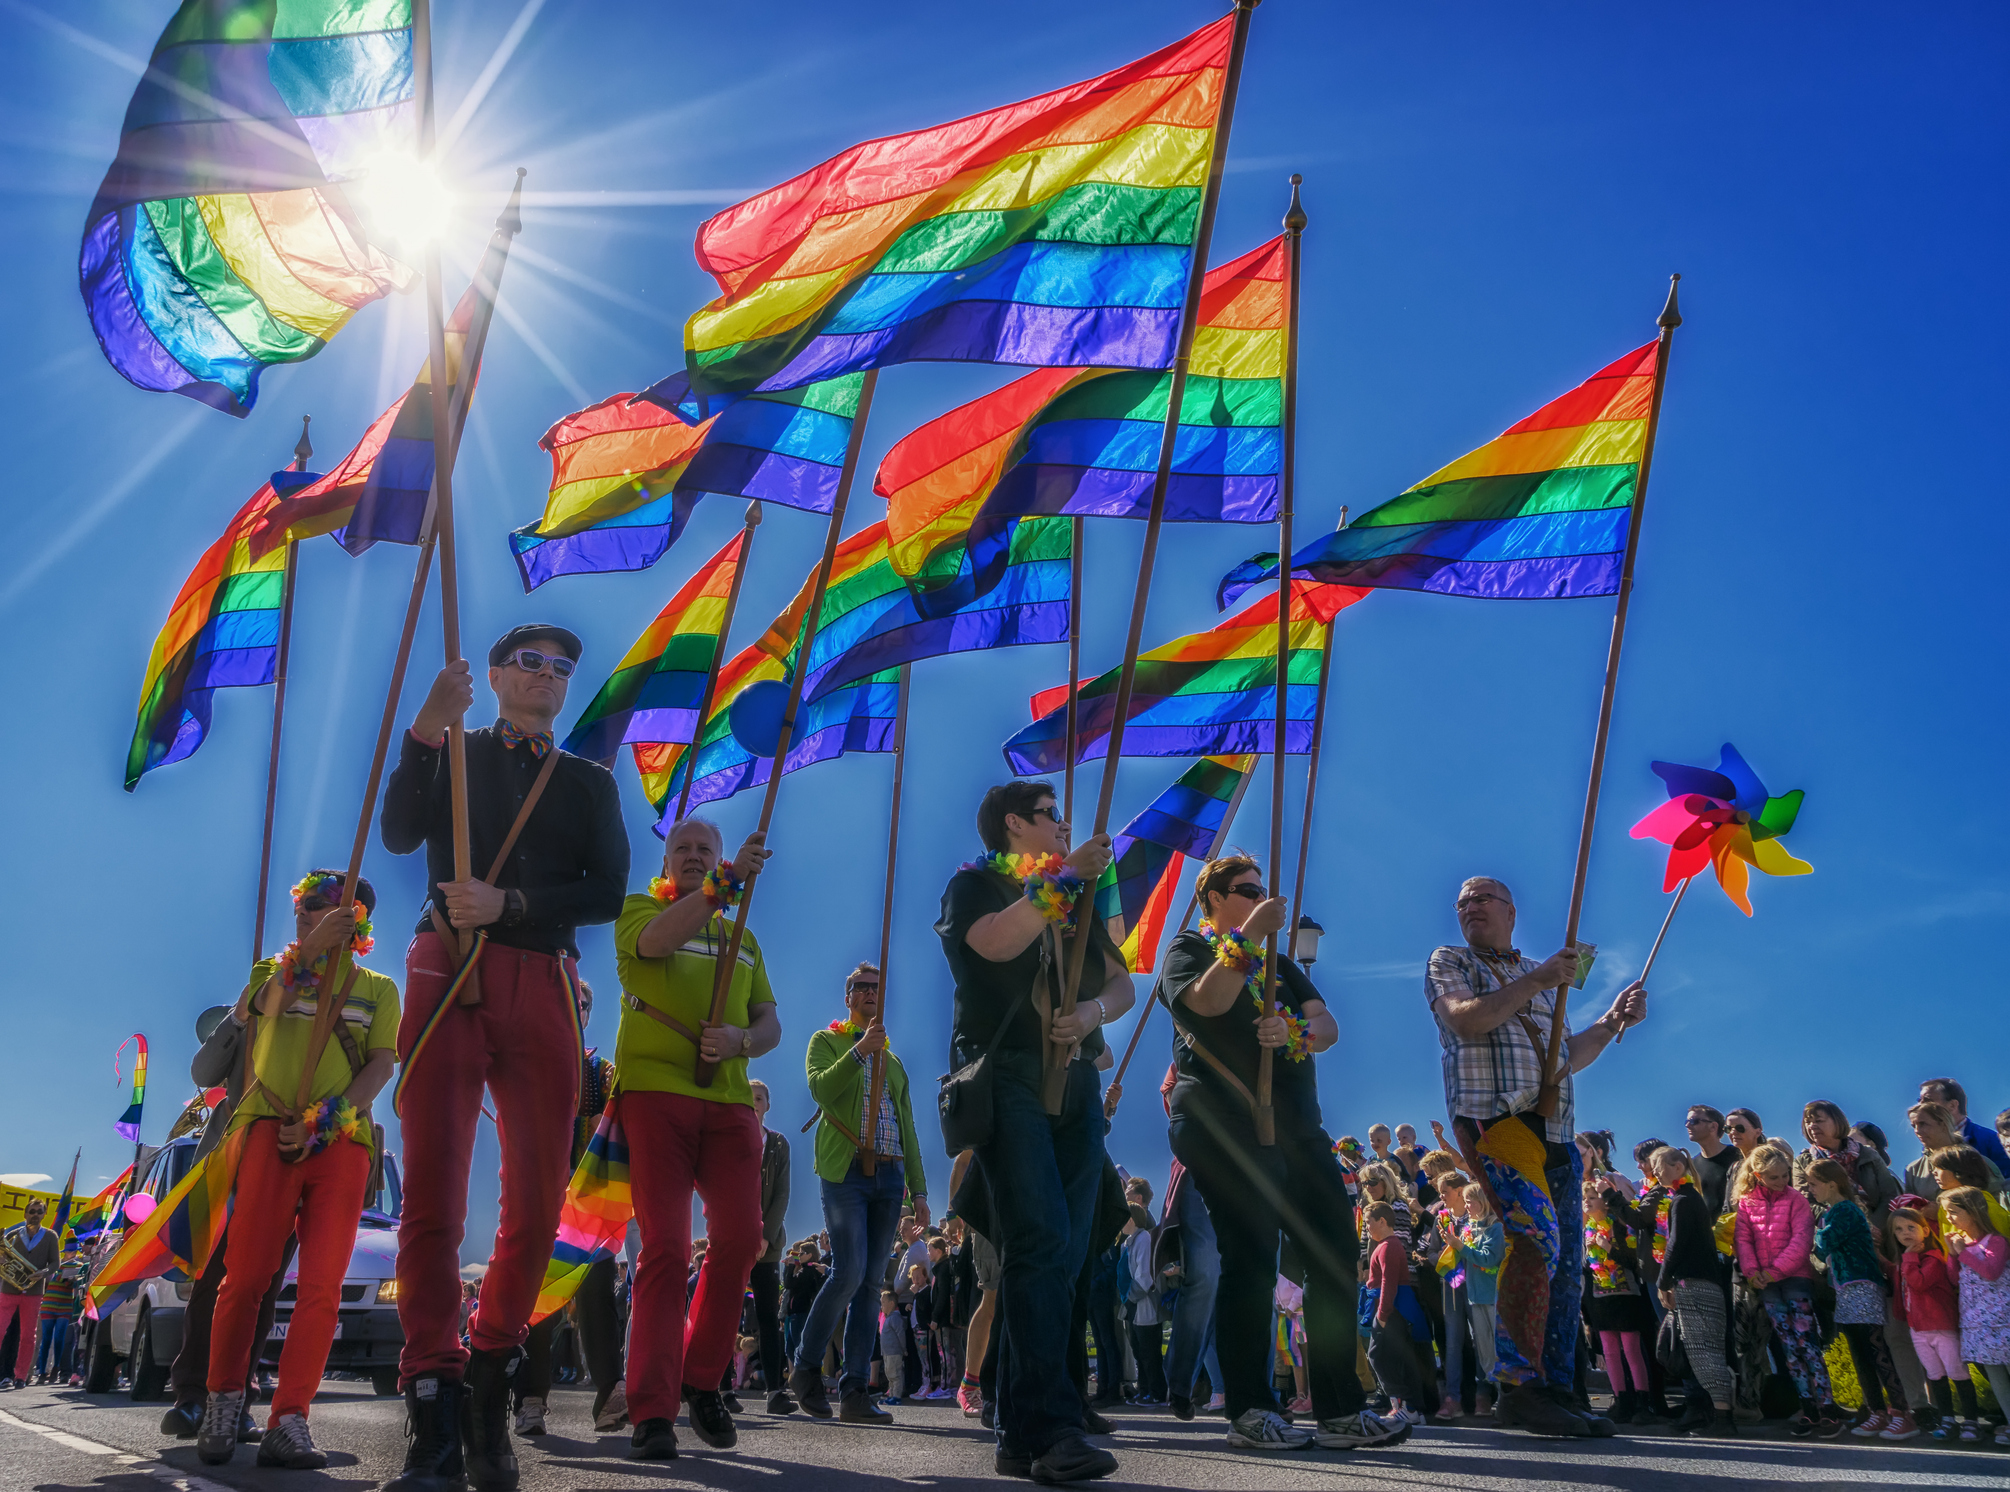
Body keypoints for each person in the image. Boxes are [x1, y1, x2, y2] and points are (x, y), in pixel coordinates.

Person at [380, 625, 628, 1492]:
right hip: (447, 963)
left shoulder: (590, 782)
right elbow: (402, 835)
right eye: (531, 663)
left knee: (536, 1201)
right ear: (492, 677)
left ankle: (491, 1379)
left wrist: (510, 899)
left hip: (546, 976)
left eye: (563, 668)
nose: (548, 677)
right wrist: (423, 730)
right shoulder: (454, 747)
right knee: (435, 1192)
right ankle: (432, 1401)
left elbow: (606, 889)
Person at [1158, 853, 1405, 1451]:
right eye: (1245, 890)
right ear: (1213, 898)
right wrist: (1246, 939)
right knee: (1251, 1256)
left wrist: (1292, 1031)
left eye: (1262, 889)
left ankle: (1341, 1410)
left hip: (1297, 1126)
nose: (1260, 897)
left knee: (1333, 1249)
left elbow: (1326, 1026)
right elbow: (1206, 1002)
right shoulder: (1190, 949)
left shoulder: (1282, 967)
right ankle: (1249, 1408)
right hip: (1223, 1125)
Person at [936, 780, 1131, 1483]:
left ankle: (1020, 1433)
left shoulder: (1076, 897)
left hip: (1074, 1076)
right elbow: (990, 945)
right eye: (1053, 816)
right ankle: (1052, 1428)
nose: (1063, 825)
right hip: (1007, 1068)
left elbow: (1120, 983)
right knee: (1039, 1236)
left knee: (1066, 1251)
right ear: (1016, 824)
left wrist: (1091, 1016)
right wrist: (1062, 878)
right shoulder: (976, 884)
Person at [1423, 875, 1646, 1437]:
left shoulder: (1548, 981)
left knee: (1568, 1260)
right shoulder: (1450, 959)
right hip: (1495, 1120)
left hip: (1556, 1128)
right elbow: (1466, 1018)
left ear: (1511, 912)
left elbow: (1566, 1055)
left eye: (1482, 898)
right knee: (1538, 1238)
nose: (1470, 906)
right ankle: (1518, 1388)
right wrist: (1539, 977)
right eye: (1463, 900)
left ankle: (1555, 1388)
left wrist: (1613, 1021)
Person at [196, 871, 398, 1470]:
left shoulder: (380, 989)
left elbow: (381, 1066)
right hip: (265, 1129)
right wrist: (308, 952)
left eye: (322, 908)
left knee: (321, 1288)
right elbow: (261, 1007)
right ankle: (224, 1400)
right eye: (303, 906)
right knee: (247, 1275)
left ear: (355, 920)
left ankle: (290, 1418)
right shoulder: (272, 970)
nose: (307, 913)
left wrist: (326, 1120)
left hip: (340, 1141)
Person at [611, 815, 778, 1461]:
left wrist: (743, 1041)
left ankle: (702, 1381)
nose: (692, 854)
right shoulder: (639, 909)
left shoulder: (743, 936)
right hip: (656, 1094)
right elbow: (653, 945)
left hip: (731, 1100)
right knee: (667, 1248)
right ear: (667, 859)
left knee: (740, 1240)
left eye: (704, 849)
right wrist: (726, 883)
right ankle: (651, 1411)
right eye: (682, 847)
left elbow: (769, 1020)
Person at [788, 962, 929, 1424]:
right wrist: (858, 1052)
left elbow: (907, 1126)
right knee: (846, 1272)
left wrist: (920, 1192)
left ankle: (853, 1391)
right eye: (862, 988)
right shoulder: (826, 1042)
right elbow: (821, 1090)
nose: (870, 993)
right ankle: (807, 1367)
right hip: (845, 1172)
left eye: (877, 988)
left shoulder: (895, 1063)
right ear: (848, 997)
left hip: (889, 1178)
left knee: (871, 1283)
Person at [165, 1003, 295, 1445]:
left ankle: (237, 1399)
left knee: (262, 1290)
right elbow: (203, 1072)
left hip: (286, 1167)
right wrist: (239, 1016)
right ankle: (192, 1395)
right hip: (229, 1171)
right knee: (211, 1286)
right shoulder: (256, 1013)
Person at [516, 980, 621, 1438]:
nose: (574, 1009)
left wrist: (604, 1125)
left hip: (588, 1201)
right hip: (539, 1192)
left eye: (581, 1004)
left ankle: (609, 1395)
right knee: (538, 1300)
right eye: (565, 1001)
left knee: (597, 1292)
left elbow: (619, 1126)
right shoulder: (527, 1061)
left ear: (588, 1013)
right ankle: (530, 1399)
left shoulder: (602, 1072)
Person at [1732, 1142, 1838, 1436]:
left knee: (1808, 1344)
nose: (1781, 1182)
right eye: (1774, 1177)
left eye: (1784, 1176)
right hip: (1766, 1286)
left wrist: (1775, 1271)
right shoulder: (1746, 1203)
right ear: (1757, 1175)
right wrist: (1754, 1273)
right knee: (1790, 1349)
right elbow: (1743, 1241)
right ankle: (1809, 1408)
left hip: (1794, 1280)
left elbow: (1802, 1240)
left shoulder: (1796, 1201)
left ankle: (1828, 1407)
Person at [1804, 1159, 1907, 1438]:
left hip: (1861, 1285)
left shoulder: (1845, 1210)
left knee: (1875, 1348)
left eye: (1813, 1183)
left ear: (1832, 1184)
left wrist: (1815, 1235)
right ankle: (1877, 1411)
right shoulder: (1830, 1213)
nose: (1809, 1189)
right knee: (1860, 1353)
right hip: (1845, 1289)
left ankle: (1901, 1411)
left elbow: (1824, 1245)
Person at [1648, 1147, 1733, 1434]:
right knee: (1703, 1349)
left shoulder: (1683, 1200)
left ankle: (1722, 1418)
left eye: (1659, 1166)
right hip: (1703, 1282)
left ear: (1677, 1167)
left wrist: (1663, 1281)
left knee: (1703, 1351)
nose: (1656, 1172)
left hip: (1695, 1284)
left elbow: (1676, 1243)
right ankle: (1710, 1413)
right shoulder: (1687, 1198)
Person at [1891, 1204, 1975, 1440]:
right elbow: (1903, 1291)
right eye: (1899, 1230)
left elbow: (1918, 1283)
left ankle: (1970, 1421)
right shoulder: (1905, 1261)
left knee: (1958, 1373)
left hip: (1941, 1327)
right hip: (1918, 1330)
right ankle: (1947, 1419)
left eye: (1911, 1227)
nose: (1905, 1233)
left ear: (1926, 1231)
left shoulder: (1933, 1259)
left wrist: (1908, 1258)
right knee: (1935, 1375)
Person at [739, 1079, 793, 1415]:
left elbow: (782, 1195)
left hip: (767, 1246)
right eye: (749, 1097)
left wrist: (765, 1237)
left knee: (768, 1317)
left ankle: (775, 1390)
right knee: (728, 1314)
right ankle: (720, 1389)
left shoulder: (778, 1144)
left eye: (759, 1097)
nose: (754, 1102)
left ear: (767, 1105)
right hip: (734, 1240)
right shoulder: (731, 1138)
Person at [1579, 1181, 1654, 1425]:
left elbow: (1633, 1261)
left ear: (1605, 1201)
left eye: (1593, 1197)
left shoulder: (1620, 1226)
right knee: (1610, 1351)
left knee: (1631, 1349)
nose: (1587, 1202)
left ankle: (1642, 1401)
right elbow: (1587, 1268)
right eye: (1585, 1198)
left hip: (1626, 1294)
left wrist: (1607, 1247)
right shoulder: (1588, 1229)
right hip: (1600, 1296)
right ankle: (1620, 1399)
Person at [1943, 1186, 2010, 1446]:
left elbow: (1991, 1271)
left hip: (2002, 1322)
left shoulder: (1996, 1241)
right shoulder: (1964, 1245)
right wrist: (1952, 1254)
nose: (1949, 1218)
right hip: (1978, 1325)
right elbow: (1953, 1279)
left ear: (1973, 1211)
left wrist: (1963, 1252)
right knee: (1997, 1378)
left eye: (1954, 1212)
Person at [1793, 1100, 1899, 1234]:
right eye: (1808, 1122)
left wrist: (1872, 1227)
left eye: (1819, 1121)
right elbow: (1805, 1204)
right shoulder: (1804, 1162)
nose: (1812, 1126)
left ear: (1838, 1122)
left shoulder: (1868, 1154)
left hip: (1877, 1237)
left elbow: (1889, 1195)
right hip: (1834, 1237)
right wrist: (1843, 1224)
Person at [1361, 1205, 1424, 1424]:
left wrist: (1383, 1315)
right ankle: (1402, 1407)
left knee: (1379, 1356)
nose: (1366, 1227)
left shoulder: (1390, 1246)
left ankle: (1407, 1406)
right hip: (1387, 1309)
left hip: (1392, 1311)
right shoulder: (1383, 1245)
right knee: (1387, 1357)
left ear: (1382, 1221)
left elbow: (1389, 1283)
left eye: (1369, 1222)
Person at [1453, 1183, 1505, 1417]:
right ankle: (1497, 1395)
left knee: (1498, 1350)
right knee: (1484, 1352)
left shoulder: (1496, 1229)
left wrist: (1460, 1247)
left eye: (1469, 1200)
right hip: (1475, 1296)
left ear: (1482, 1201)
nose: (1466, 1206)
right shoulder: (1470, 1227)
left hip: (1493, 1297)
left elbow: (1489, 1259)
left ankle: (1506, 1399)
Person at [0, 1199, 57, 1390]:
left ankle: (20, 1376)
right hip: (9, 1289)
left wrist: (45, 1273)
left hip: (33, 1291)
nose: (35, 1215)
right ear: (25, 1214)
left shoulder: (50, 1236)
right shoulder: (14, 1235)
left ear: (44, 1215)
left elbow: (55, 1264)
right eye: (32, 1211)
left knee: (27, 1336)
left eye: (39, 1212)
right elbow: (4, 1258)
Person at [1906, 1104, 2007, 1201]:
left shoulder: (1975, 1161)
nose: (1917, 1131)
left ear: (1943, 1124)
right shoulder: (1913, 1171)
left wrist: (1944, 1210)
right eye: (1913, 1126)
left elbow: (1998, 1202)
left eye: (1922, 1124)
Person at [1921, 1079, 2010, 1176]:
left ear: (1952, 1105)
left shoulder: (1990, 1140)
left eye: (1928, 1101)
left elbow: (2004, 1181)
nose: (1920, 1106)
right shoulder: (1929, 1147)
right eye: (1919, 1101)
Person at [1684, 1107, 1736, 1217]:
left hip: (1735, 1230)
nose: (1688, 1125)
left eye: (1694, 1121)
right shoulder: (1691, 1166)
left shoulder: (1738, 1156)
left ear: (1713, 1126)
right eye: (1687, 1121)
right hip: (1704, 1232)